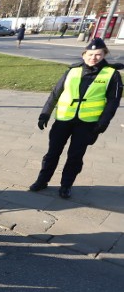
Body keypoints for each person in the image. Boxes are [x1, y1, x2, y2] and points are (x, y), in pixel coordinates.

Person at [29, 38, 121, 199]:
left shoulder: (111, 74)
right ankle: (42, 180)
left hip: (87, 124)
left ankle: (66, 186)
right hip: (64, 119)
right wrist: (45, 114)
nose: (94, 57)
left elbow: (113, 102)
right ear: (84, 54)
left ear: (104, 54)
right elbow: (55, 93)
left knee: (75, 156)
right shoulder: (73, 70)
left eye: (98, 54)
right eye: (90, 54)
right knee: (52, 153)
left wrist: (102, 123)